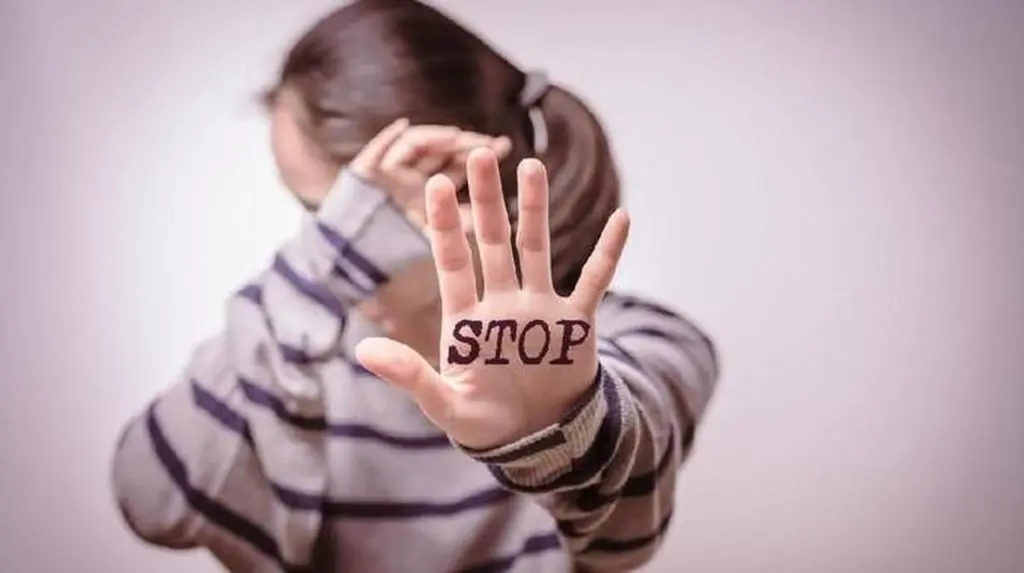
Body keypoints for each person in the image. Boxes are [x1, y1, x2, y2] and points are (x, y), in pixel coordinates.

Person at [110, 1, 719, 571]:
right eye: (324, 220)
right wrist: (318, 268)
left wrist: (564, 423)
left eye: (342, 210)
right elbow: (152, 500)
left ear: (464, 194)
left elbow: (623, 534)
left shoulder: (647, 341)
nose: (336, 241)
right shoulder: (293, 360)